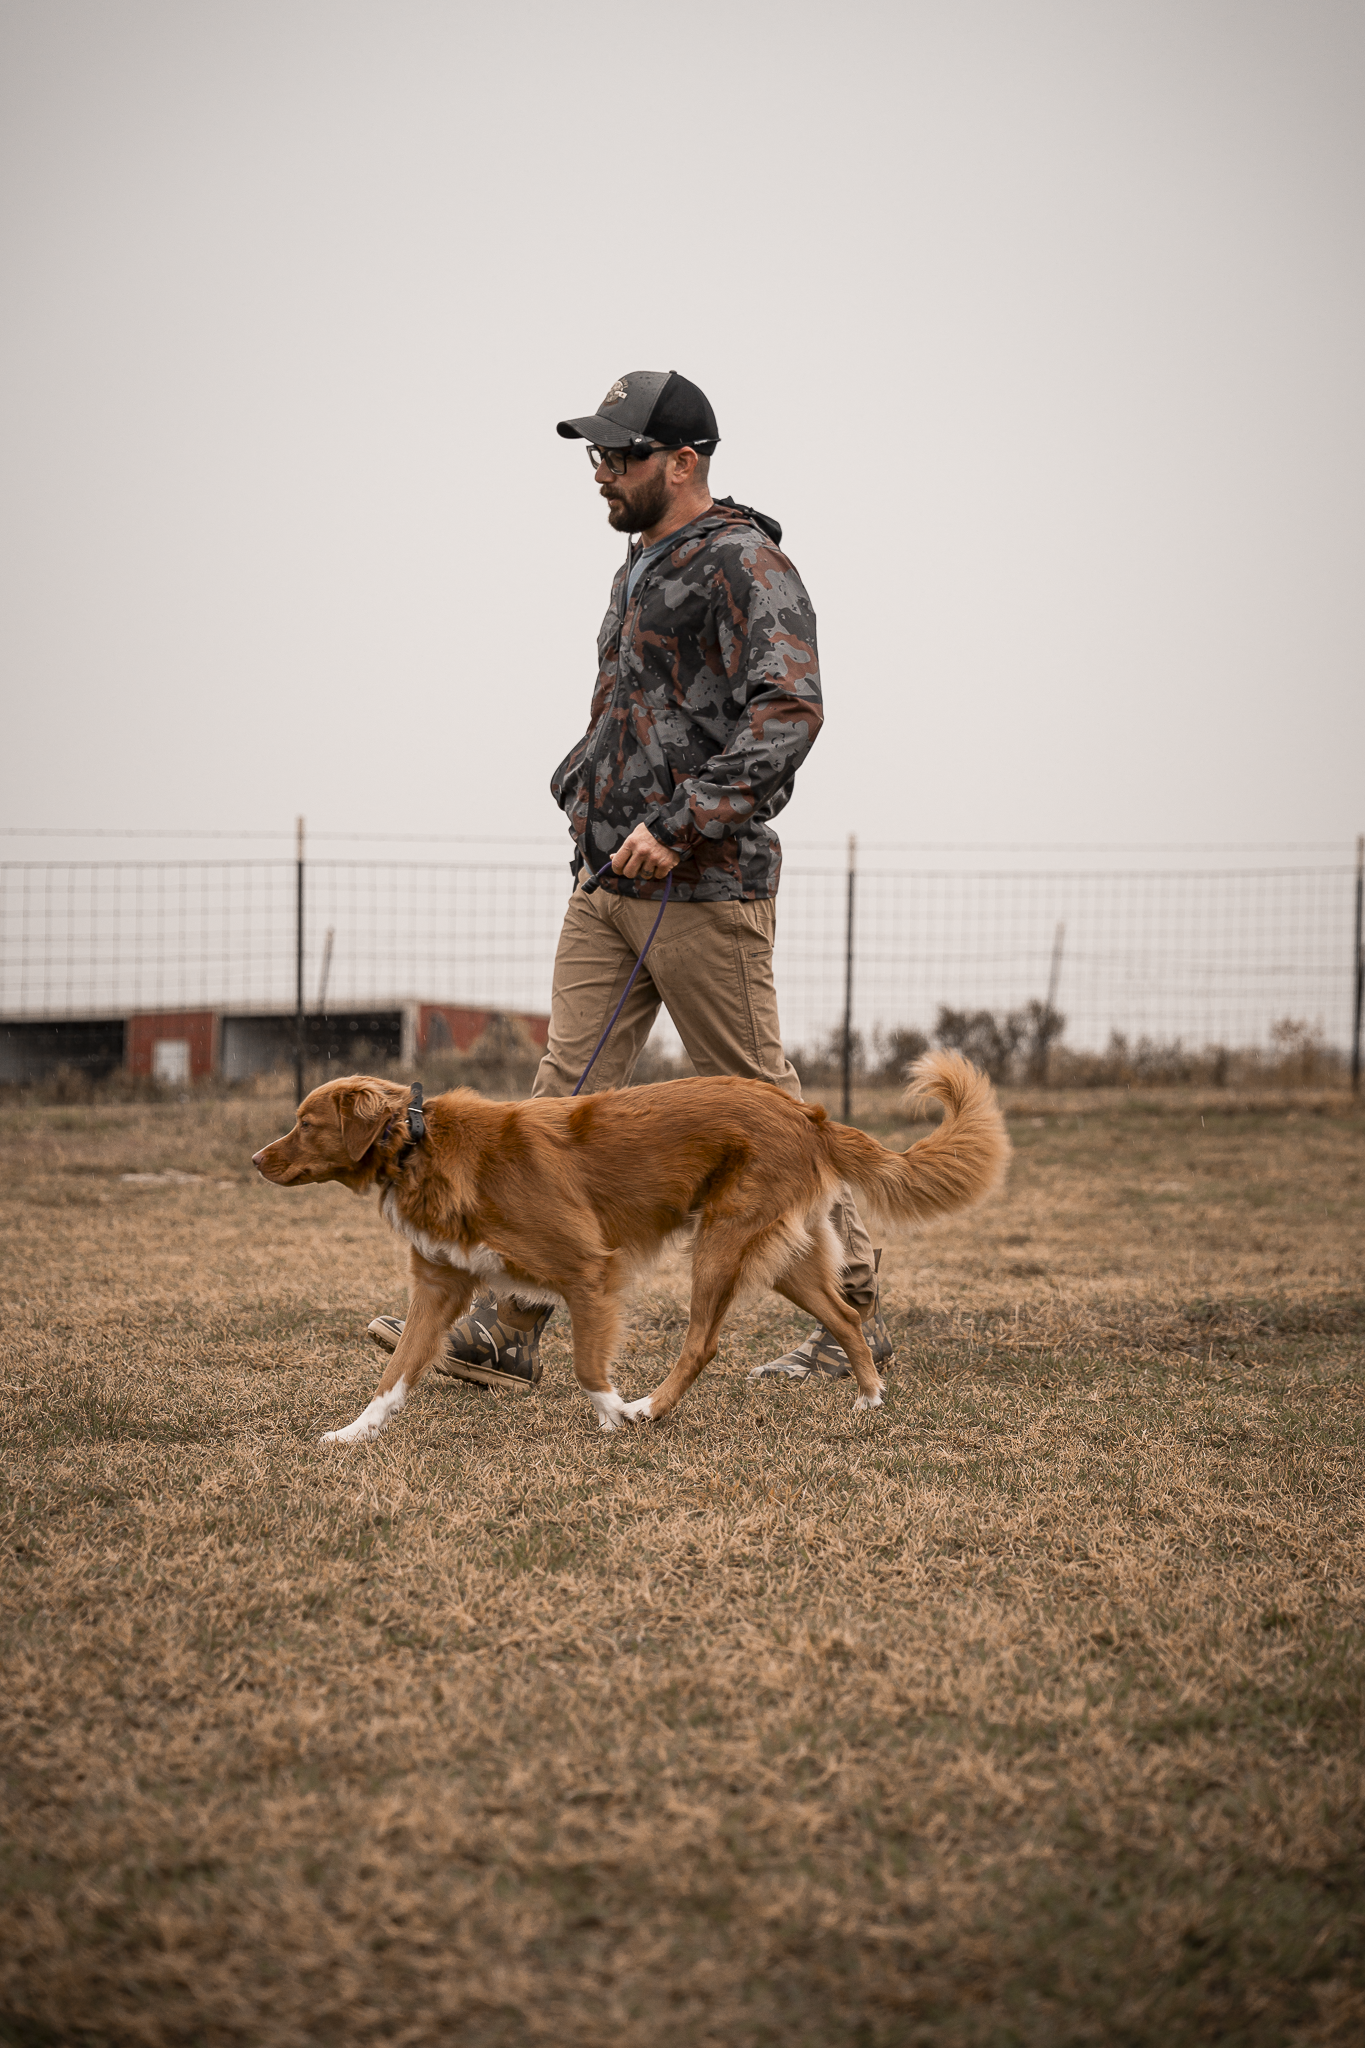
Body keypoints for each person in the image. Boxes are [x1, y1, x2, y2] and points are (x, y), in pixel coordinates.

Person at [368, 370, 893, 1391]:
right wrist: (586, 786)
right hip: (606, 882)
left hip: (705, 890)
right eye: (595, 456)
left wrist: (681, 820)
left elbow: (788, 711)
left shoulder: (747, 561)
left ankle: (849, 1312)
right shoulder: (636, 566)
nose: (601, 472)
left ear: (682, 462)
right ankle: (514, 1325)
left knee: (765, 1107)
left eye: (621, 455)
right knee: (557, 1108)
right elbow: (640, 711)